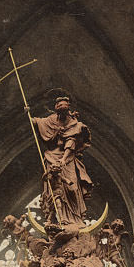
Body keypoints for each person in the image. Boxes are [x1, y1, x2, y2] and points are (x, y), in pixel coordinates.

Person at [33, 96, 93, 227]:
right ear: (56, 109)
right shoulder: (50, 120)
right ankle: (56, 218)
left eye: (65, 108)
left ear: (68, 109)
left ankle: (75, 218)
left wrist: (63, 160)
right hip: (52, 157)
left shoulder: (74, 124)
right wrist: (29, 117)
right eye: (60, 107)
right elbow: (38, 122)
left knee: (72, 189)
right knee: (53, 192)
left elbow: (71, 142)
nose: (62, 110)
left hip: (68, 159)